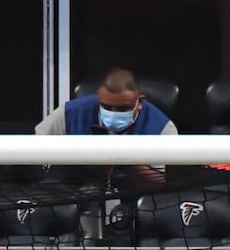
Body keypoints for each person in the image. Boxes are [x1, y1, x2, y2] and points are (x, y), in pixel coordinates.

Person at [35, 67, 176, 190]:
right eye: (107, 107)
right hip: (77, 197)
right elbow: (35, 155)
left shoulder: (162, 127)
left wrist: (126, 160)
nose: (113, 113)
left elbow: (162, 185)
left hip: (136, 203)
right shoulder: (69, 113)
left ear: (139, 102)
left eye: (122, 108)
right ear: (99, 97)